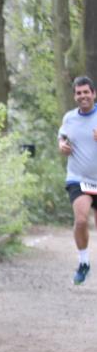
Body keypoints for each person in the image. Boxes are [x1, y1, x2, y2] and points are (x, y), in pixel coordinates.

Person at [58, 75, 97, 285]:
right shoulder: (69, 118)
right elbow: (62, 138)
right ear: (75, 96)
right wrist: (62, 146)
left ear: (94, 94)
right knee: (81, 220)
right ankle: (83, 263)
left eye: (86, 92)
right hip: (78, 178)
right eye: (79, 93)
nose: (83, 96)